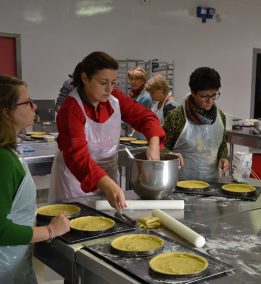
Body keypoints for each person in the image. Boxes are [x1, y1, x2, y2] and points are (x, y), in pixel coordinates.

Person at [49, 51, 165, 211]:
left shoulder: (113, 98)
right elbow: (77, 157)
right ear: (84, 78)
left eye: (113, 82)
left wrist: (153, 142)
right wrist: (106, 182)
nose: (109, 89)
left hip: (108, 177)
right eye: (103, 82)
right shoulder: (71, 109)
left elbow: (144, 116)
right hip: (76, 180)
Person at [0, 75, 70, 282]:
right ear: (6, 112)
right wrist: (49, 231)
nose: (35, 106)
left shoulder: (7, 153)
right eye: (27, 102)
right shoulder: (3, 161)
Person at [163, 67, 229, 182]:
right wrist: (170, 155)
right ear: (193, 92)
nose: (210, 101)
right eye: (205, 96)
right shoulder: (177, 117)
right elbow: (160, 147)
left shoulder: (220, 117)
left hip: (211, 184)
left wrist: (223, 158)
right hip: (181, 185)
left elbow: (222, 144)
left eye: (214, 95)